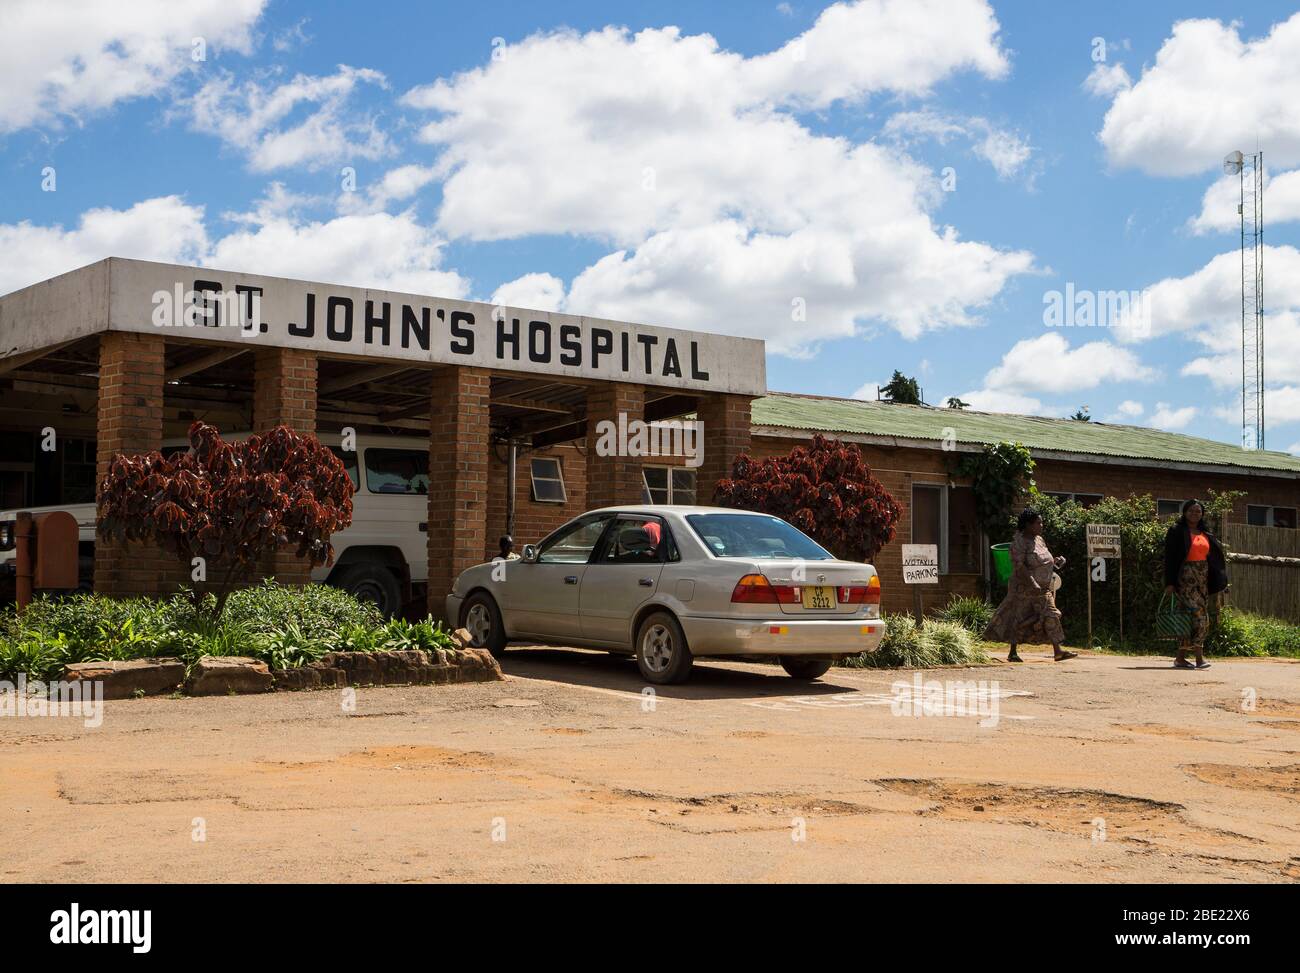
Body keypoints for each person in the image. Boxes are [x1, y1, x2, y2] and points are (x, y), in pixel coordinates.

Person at [984, 509, 1077, 663]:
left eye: (1041, 522)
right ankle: (1013, 652)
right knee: (1018, 618)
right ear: (1027, 525)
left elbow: (1043, 560)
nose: (1041, 525)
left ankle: (1058, 651)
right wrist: (1032, 582)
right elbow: (1019, 566)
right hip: (1023, 589)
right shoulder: (1019, 542)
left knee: (1051, 614)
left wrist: (1056, 561)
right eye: (1037, 523)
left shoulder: (1039, 540)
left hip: (1043, 589)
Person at [1163, 499, 1227, 670]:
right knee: (1198, 617)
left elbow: (1214, 559)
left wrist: (1219, 580)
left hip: (1202, 581)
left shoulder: (1205, 533)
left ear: (1202, 514)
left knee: (1190, 618)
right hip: (1184, 579)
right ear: (1184, 512)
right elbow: (1169, 558)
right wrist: (1169, 582)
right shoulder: (1177, 531)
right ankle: (1199, 658)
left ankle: (1180, 658)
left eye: (1198, 511)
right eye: (1191, 511)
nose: (1195, 514)